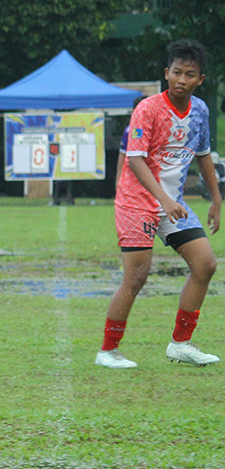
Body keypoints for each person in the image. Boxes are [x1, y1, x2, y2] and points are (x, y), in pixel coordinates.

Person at [96, 39, 221, 369]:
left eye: (190, 75)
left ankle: (180, 344)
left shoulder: (200, 111)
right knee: (136, 278)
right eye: (177, 72)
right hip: (137, 202)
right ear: (166, 73)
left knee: (205, 265)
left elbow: (203, 155)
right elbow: (135, 159)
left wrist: (216, 198)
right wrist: (162, 200)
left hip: (172, 204)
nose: (182, 80)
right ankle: (108, 350)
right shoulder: (148, 109)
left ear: (200, 79)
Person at [114, 97, 146, 191]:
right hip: (133, 181)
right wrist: (118, 181)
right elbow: (122, 156)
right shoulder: (131, 130)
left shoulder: (156, 128)